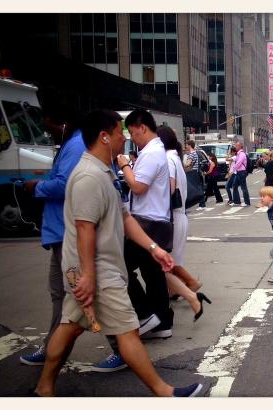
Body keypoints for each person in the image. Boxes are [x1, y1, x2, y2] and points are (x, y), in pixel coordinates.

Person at [33, 109, 203, 397]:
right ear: (103, 137)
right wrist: (87, 276)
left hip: (96, 269)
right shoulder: (88, 176)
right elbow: (85, 230)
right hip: (96, 270)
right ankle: (164, 392)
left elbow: (125, 218)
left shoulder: (105, 172)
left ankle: (44, 387)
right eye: (118, 132)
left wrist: (154, 248)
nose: (124, 138)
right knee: (127, 330)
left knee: (69, 327)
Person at [94, 109, 174, 372]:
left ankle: (146, 315)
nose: (130, 137)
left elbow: (139, 187)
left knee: (119, 266)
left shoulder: (151, 152)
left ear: (141, 127)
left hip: (148, 221)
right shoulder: (154, 151)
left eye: (130, 132)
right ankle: (161, 322)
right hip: (154, 219)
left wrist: (125, 164)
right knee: (153, 272)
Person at [19, 124, 86, 366]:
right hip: (61, 233)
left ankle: (120, 346)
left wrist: (37, 187)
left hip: (67, 234)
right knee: (61, 293)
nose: (46, 129)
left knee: (84, 298)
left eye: (47, 121)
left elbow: (64, 184)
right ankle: (51, 350)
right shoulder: (73, 143)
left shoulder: (76, 144)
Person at [158, 126, 205, 316]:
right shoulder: (175, 158)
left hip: (174, 216)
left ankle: (191, 284)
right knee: (171, 261)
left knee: (167, 263)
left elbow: (168, 189)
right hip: (180, 214)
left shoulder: (168, 159)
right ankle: (174, 291)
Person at [230, 139, 251, 207]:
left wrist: (233, 170)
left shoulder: (242, 154)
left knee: (243, 187)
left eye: (236, 146)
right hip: (239, 172)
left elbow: (238, 163)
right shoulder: (238, 154)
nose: (235, 147)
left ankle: (247, 202)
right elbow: (235, 161)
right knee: (234, 186)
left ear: (240, 146)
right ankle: (237, 201)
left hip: (242, 172)